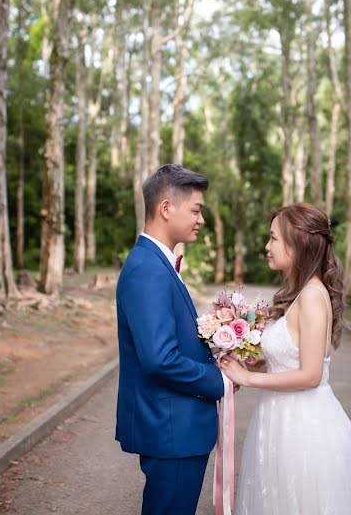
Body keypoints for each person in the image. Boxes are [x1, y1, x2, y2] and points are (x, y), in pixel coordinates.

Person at [217, 203, 351, 515]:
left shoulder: (313, 297)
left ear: (298, 244)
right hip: (279, 417)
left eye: (274, 238)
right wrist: (260, 363)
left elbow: (310, 375)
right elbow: (292, 356)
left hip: (303, 425)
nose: (267, 246)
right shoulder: (299, 293)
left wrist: (247, 378)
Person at [115, 164, 225, 515]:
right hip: (171, 429)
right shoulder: (147, 269)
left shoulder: (158, 264)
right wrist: (219, 380)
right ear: (166, 209)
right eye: (196, 210)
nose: (200, 220)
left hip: (177, 427)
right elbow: (160, 358)